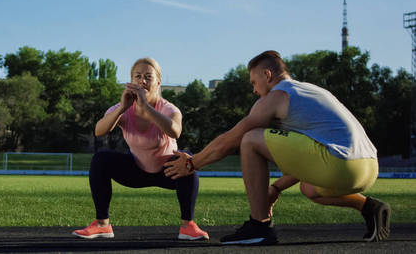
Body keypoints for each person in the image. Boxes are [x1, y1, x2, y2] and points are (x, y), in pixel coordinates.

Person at [164, 50, 391, 245]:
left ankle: (259, 226)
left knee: (250, 138)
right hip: (368, 168)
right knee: (309, 188)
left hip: (340, 164)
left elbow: (232, 139)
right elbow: (312, 151)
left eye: (254, 82)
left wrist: (192, 163)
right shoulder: (311, 91)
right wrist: (276, 189)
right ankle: (369, 206)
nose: (254, 90)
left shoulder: (278, 96)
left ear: (267, 75)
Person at [72, 57, 209, 240]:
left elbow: (175, 131)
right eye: (137, 76)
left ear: (158, 82)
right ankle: (102, 225)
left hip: (168, 171)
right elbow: (99, 131)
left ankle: (188, 226)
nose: (142, 81)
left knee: (187, 160)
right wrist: (122, 107)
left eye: (148, 77)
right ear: (131, 81)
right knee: (101, 159)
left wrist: (145, 106)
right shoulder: (123, 108)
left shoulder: (169, 109)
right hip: (136, 169)